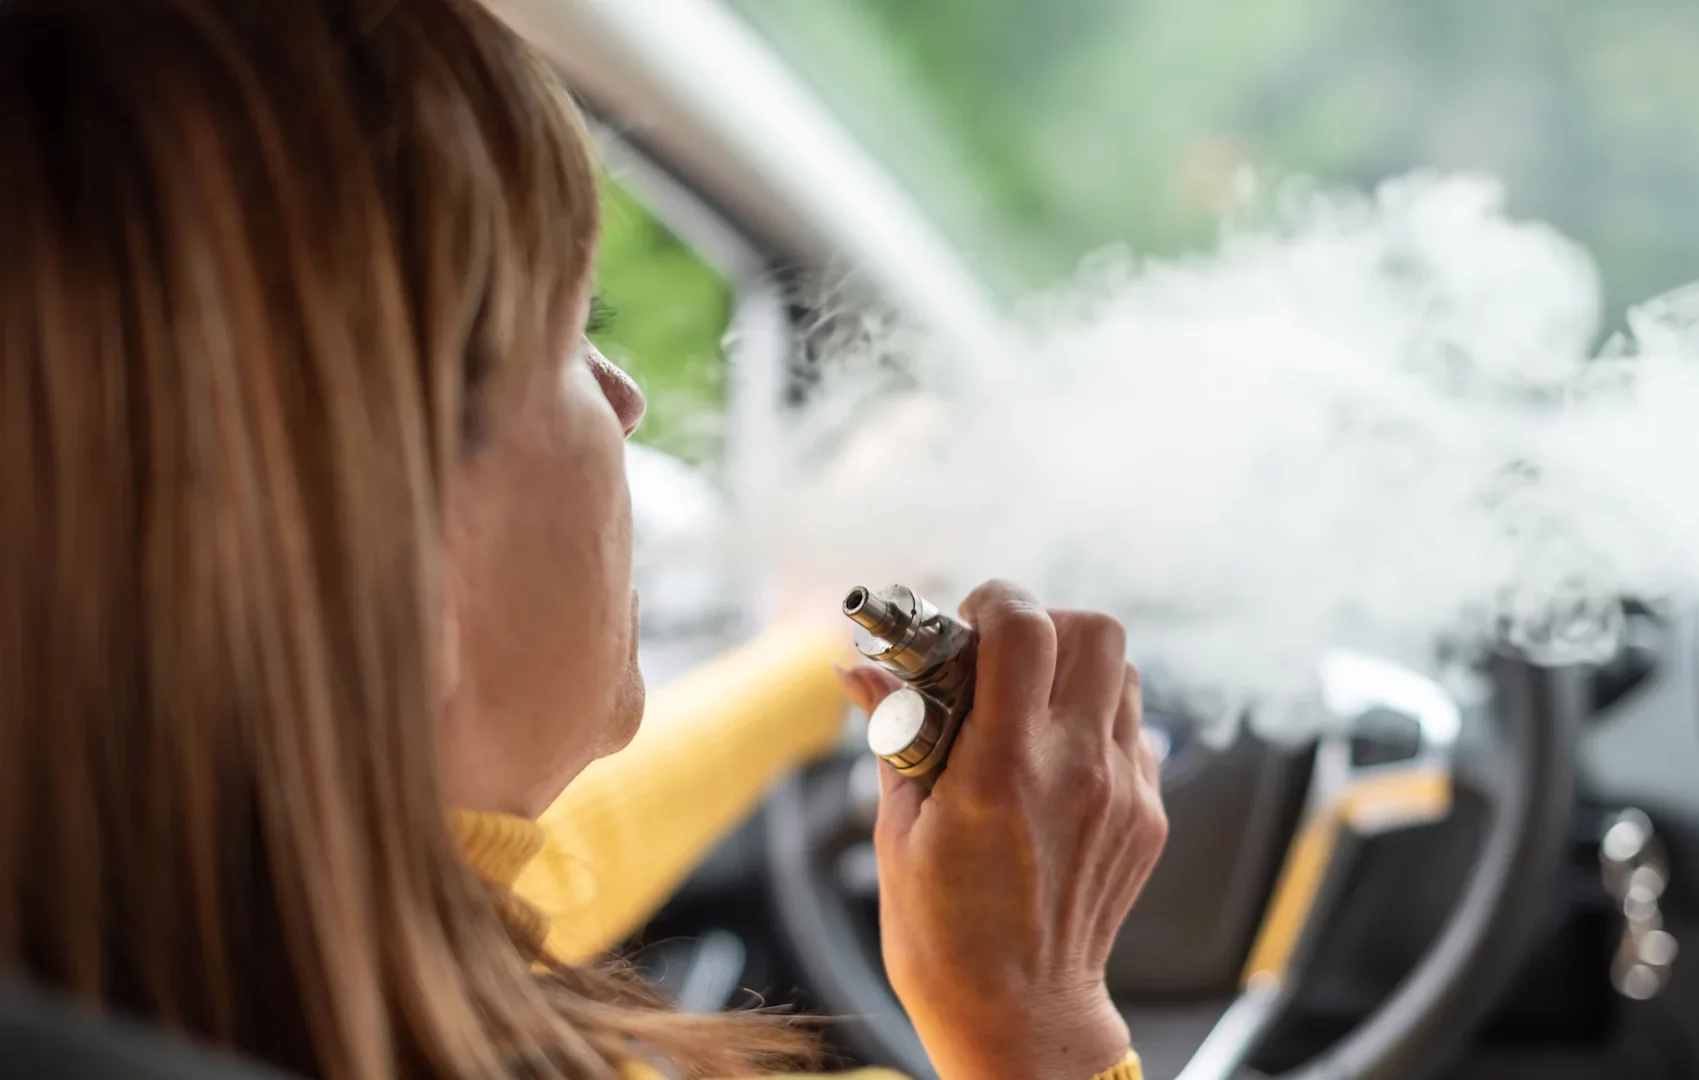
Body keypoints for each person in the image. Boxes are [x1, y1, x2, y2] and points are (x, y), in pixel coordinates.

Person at [0, 1, 1169, 1078]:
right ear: (397, 551)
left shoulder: (185, 955)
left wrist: (807, 657)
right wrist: (1036, 1019)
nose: (627, 400)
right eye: (572, 331)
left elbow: (510, 871)